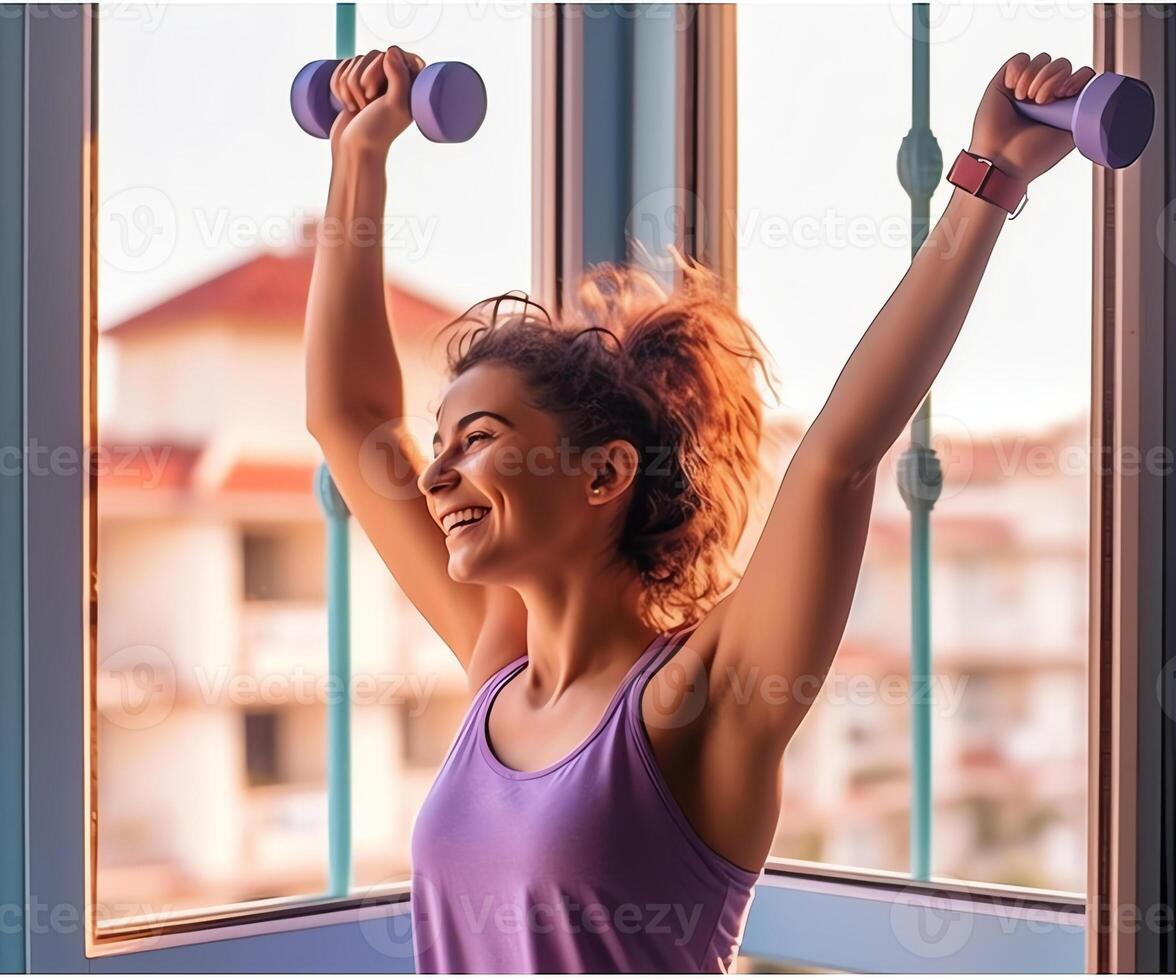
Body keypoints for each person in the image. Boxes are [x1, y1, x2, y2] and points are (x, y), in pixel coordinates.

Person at [305, 44, 1090, 974]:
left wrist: (985, 183)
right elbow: (346, 416)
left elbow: (836, 461)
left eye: (476, 440)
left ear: (603, 476)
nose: (435, 479)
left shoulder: (696, 702)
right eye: (440, 448)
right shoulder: (497, 669)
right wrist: (357, 155)